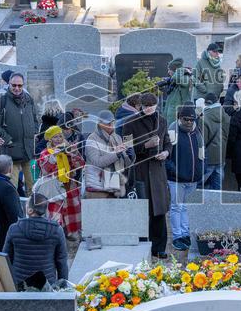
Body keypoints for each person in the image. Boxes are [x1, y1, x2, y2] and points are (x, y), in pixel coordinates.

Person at [121, 92, 171, 258]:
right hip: (140, 171)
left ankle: (159, 248)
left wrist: (166, 152)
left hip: (158, 171)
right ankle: (143, 247)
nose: (149, 109)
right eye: (146, 106)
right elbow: (126, 149)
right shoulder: (130, 123)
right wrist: (145, 145)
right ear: (140, 106)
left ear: (156, 105)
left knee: (159, 211)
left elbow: (168, 143)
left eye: (152, 106)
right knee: (143, 211)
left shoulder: (162, 121)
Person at [3, 186, 69, 290]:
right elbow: (62, 261)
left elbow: (6, 259)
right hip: (47, 286)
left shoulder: (14, 229)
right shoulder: (57, 230)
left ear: (29, 210)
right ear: (45, 210)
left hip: (20, 285)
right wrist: (63, 287)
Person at [36, 126, 85, 247]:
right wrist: (54, 157)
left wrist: (72, 152)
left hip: (69, 186)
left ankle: (73, 240)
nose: (58, 139)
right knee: (56, 215)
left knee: (71, 214)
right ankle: (55, 240)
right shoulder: (45, 153)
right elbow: (46, 170)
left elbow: (81, 164)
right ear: (50, 140)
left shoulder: (68, 148)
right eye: (55, 137)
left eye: (60, 136)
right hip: (54, 188)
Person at [166, 103, 205, 252]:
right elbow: (167, 156)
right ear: (179, 118)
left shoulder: (197, 131)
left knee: (188, 208)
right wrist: (174, 171)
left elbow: (201, 154)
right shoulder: (172, 131)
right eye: (185, 119)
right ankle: (177, 236)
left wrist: (200, 171)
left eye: (191, 119)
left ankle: (185, 233)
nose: (189, 122)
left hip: (192, 177)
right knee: (176, 207)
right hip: (176, 178)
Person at [0, 72, 38, 192]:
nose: (17, 88)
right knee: (12, 188)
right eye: (14, 85)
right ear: (9, 84)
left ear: (23, 85)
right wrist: (9, 140)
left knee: (33, 187)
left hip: (29, 151)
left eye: (20, 85)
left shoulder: (29, 100)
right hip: (11, 153)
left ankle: (32, 210)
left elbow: (35, 119)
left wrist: (34, 134)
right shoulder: (2, 101)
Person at [84, 110, 133, 199]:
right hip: (98, 187)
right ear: (99, 124)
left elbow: (125, 166)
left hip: (116, 185)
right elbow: (97, 162)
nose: (111, 125)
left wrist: (130, 156)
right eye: (107, 123)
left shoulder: (117, 137)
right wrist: (116, 154)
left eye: (112, 122)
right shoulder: (92, 138)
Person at [200, 100, 229, 191]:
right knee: (217, 186)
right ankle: (216, 204)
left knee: (199, 185)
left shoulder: (204, 118)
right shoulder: (226, 116)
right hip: (221, 156)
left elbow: (202, 141)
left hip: (208, 157)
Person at [160, 58, 194, 123]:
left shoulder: (185, 78)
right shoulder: (174, 80)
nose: (168, 72)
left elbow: (176, 78)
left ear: (175, 70)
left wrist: (181, 69)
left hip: (177, 113)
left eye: (169, 70)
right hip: (172, 111)